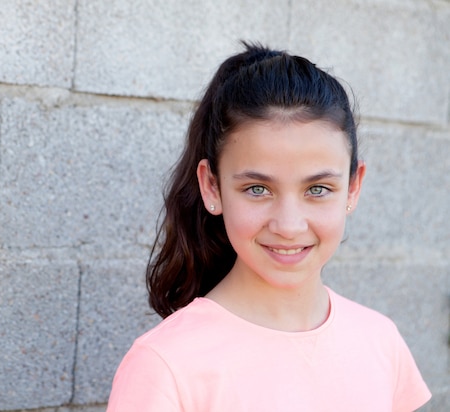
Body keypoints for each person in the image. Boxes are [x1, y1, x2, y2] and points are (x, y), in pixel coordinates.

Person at [107, 42, 431, 411]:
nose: (289, 226)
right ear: (212, 186)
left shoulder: (380, 341)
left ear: (353, 188)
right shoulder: (165, 365)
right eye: (257, 189)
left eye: (318, 189)